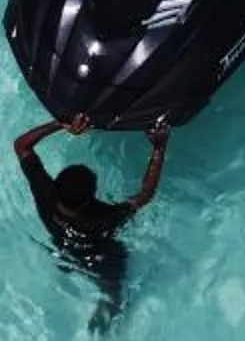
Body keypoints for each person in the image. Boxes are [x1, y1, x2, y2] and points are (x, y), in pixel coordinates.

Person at [15, 116, 168, 330]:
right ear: (89, 199)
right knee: (113, 291)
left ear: (56, 185)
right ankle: (105, 322)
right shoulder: (105, 218)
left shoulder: (44, 192)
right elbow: (145, 195)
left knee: (74, 260)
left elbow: (21, 145)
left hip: (62, 244)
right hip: (101, 258)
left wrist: (62, 124)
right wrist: (159, 148)